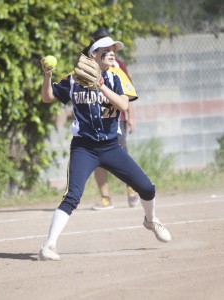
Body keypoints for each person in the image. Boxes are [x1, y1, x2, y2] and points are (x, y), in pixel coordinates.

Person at [38, 35, 171, 261]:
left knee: (147, 188)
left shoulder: (116, 76)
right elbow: (47, 97)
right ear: (93, 55)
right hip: (84, 147)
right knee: (72, 195)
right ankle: (49, 246)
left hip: (111, 146)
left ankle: (151, 220)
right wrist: (47, 76)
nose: (112, 53)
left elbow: (123, 104)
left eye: (113, 50)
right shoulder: (73, 79)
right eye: (106, 50)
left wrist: (101, 86)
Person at [90, 29, 140, 210]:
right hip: (95, 120)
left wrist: (131, 117)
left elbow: (128, 93)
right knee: (96, 157)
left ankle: (132, 189)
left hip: (116, 119)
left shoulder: (118, 66)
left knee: (120, 155)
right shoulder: (88, 68)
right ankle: (105, 198)